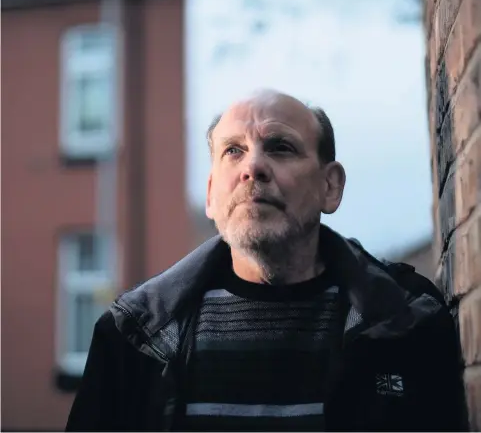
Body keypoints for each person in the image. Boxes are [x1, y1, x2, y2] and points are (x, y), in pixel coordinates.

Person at [66, 89, 466, 432]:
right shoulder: (132, 336)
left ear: (331, 186)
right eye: (233, 151)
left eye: (280, 147)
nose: (253, 167)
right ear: (211, 195)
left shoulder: (409, 322)